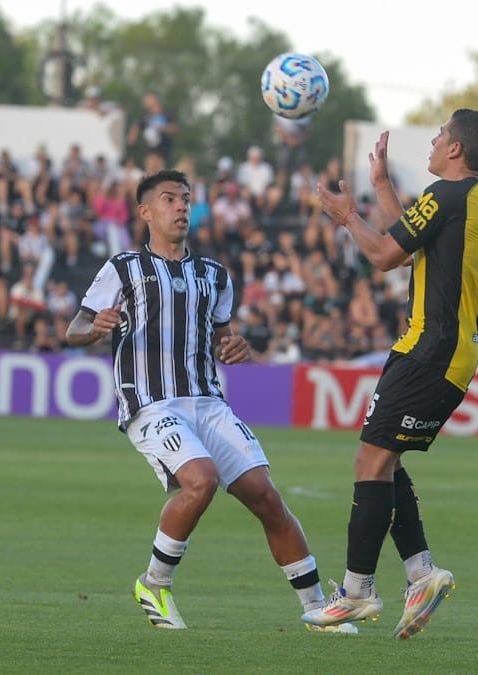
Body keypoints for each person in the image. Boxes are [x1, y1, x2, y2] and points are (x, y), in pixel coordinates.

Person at [65, 169, 352, 634]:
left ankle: (318, 609)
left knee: (266, 497)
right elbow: (73, 328)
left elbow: (224, 340)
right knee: (201, 481)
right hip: (151, 402)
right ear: (145, 212)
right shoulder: (122, 268)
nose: (181, 206)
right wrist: (93, 329)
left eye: (185, 198)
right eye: (169, 199)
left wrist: (236, 348)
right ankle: (154, 583)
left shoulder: (213, 275)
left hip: (208, 402)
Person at [301, 109, 478, 639]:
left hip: (427, 350)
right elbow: (415, 247)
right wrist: (383, 187)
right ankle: (420, 574)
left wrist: (347, 217)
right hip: (453, 353)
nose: (433, 142)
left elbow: (386, 254)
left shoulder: (447, 195)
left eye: (440, 136)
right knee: (384, 459)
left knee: (370, 460)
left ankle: (355, 593)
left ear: (456, 149)